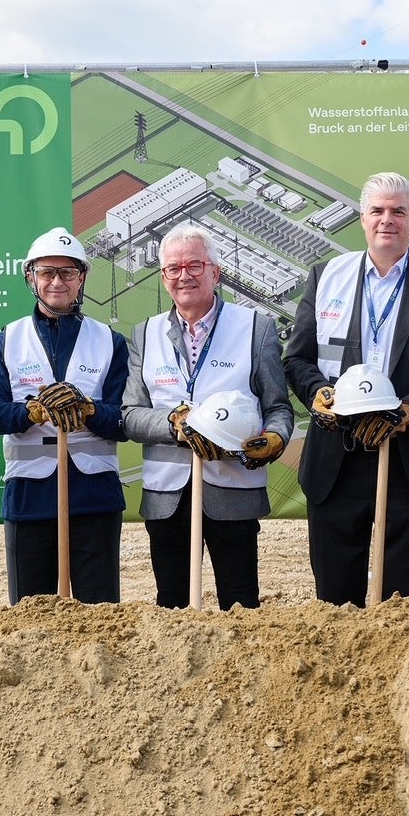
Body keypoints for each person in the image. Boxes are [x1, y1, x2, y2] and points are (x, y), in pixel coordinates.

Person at [283, 172, 409, 606]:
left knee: (406, 609)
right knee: (335, 606)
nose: (387, 219)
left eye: (398, 211)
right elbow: (296, 360)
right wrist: (318, 394)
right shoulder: (326, 276)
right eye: (377, 210)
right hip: (337, 459)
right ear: (362, 218)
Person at [122, 223, 293, 610]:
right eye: (173, 268)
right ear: (163, 277)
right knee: (172, 607)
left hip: (233, 492)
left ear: (215, 273)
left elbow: (278, 408)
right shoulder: (145, 333)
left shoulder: (255, 328)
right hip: (167, 497)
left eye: (195, 266)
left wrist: (276, 438)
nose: (184, 276)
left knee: (240, 605)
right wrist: (174, 425)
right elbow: (130, 415)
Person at [0, 228, 128, 604]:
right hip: (29, 497)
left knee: (101, 616)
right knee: (32, 615)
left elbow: (124, 420)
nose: (57, 282)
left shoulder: (109, 341)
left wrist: (89, 410)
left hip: (94, 497)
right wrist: (30, 412)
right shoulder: (8, 340)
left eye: (67, 272)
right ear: (30, 277)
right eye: (47, 272)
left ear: (82, 277)